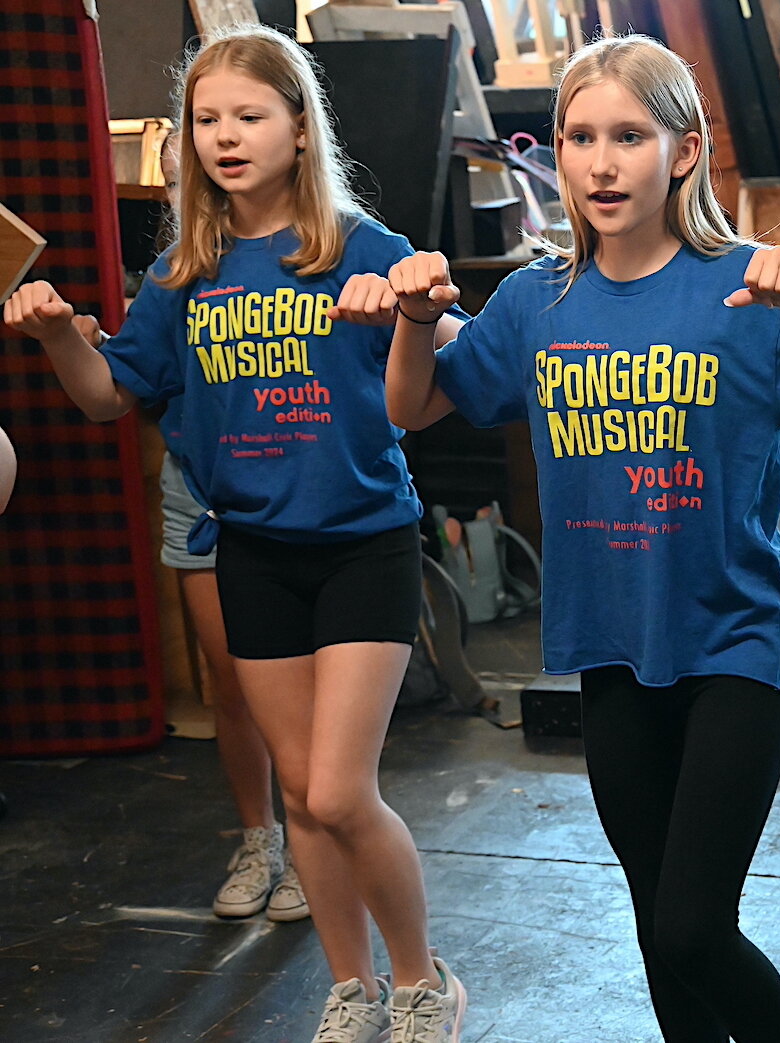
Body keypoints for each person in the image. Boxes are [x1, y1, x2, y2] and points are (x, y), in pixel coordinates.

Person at [380, 33, 780, 1043]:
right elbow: (413, 405)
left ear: (682, 151)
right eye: (578, 137)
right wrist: (411, 318)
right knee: (658, 930)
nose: (601, 163)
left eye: (628, 136)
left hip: (736, 646)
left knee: (694, 926)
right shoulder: (535, 302)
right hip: (611, 647)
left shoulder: (750, 292)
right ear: (554, 153)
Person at [5, 24, 468, 1043]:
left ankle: (423, 975)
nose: (225, 136)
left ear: (299, 129)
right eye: (205, 120)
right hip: (251, 550)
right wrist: (50, 337)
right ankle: (352, 985)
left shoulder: (361, 245)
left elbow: (457, 354)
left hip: (361, 543)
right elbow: (104, 398)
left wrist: (416, 308)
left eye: (248, 116)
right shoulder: (185, 270)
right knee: (300, 791)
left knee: (344, 788)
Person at [69, 137, 308, 924]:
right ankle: (259, 835)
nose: (193, 185)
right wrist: (67, 340)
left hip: (303, 499)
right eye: (176, 178)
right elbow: (119, 385)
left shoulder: (329, 245)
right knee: (233, 684)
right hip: (204, 502)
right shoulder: (177, 275)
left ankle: (315, 841)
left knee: (305, 695)